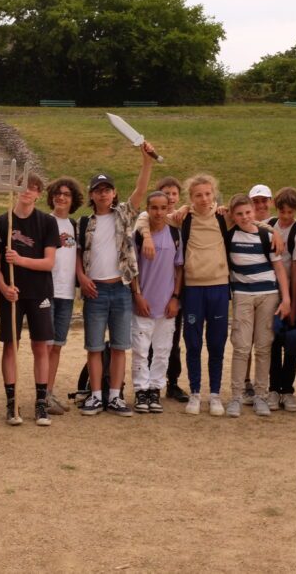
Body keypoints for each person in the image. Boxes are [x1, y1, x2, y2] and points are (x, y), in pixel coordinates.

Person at [77, 142, 155, 416]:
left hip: (121, 289)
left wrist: (146, 162)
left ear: (114, 193)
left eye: (107, 190)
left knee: (121, 346)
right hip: (95, 290)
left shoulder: (123, 215)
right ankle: (96, 395)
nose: (103, 194)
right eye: (98, 190)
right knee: (95, 347)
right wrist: (82, 278)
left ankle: (115, 396)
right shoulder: (84, 223)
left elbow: (141, 191)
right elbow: (77, 254)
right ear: (91, 195)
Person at [0, 173, 59, 426]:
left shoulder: (46, 223)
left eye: (32, 188)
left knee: (40, 346)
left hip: (39, 291)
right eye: (22, 187)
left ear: (39, 194)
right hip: (12, 293)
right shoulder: (1, 222)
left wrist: (20, 260)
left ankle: (41, 402)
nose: (27, 192)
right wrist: (3, 286)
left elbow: (48, 262)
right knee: (11, 345)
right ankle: (12, 402)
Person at [224, 194, 289, 417]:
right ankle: (236, 396)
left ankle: (261, 395)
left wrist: (286, 299)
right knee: (241, 347)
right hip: (242, 295)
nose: (245, 217)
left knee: (263, 346)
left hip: (268, 295)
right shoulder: (229, 235)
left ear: (254, 211)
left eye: (248, 212)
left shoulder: (265, 235)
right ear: (233, 216)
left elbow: (279, 269)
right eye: (239, 214)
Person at [170, 173, 229, 416]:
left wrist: (274, 232)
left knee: (217, 343)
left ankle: (214, 394)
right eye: (198, 195)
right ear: (190, 198)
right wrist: (180, 209)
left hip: (219, 286)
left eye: (207, 194)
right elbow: (147, 219)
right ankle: (195, 392)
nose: (204, 199)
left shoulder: (224, 217)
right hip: (193, 288)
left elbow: (253, 222)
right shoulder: (183, 219)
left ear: (213, 194)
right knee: (192, 342)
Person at [130, 191, 183, 414]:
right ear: (147, 209)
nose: (159, 212)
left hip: (166, 304)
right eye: (154, 208)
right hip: (144, 302)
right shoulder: (139, 235)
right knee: (141, 350)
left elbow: (179, 268)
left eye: (163, 208)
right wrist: (137, 295)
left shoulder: (175, 234)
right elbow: (132, 268)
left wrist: (175, 297)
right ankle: (140, 389)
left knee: (163, 349)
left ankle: (155, 389)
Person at [44, 177, 83, 415]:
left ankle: (48, 392)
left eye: (67, 194)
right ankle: (41, 394)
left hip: (66, 293)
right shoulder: (44, 222)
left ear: (73, 199)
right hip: (47, 290)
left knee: (57, 345)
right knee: (45, 346)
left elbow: (76, 258)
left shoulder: (74, 226)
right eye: (58, 193)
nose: (61, 197)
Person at [152, 176, 189, 403]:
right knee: (149, 339)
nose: (171, 197)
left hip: (179, 286)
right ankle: (148, 382)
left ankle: (172, 382)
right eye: (167, 193)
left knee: (173, 338)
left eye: (175, 193)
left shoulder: (183, 219)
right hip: (154, 286)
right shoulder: (150, 220)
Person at [266, 187, 296, 412]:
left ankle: (287, 390)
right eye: (282, 212)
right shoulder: (270, 225)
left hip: (293, 291)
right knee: (273, 343)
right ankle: (273, 388)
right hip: (272, 291)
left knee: (292, 343)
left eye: (290, 212)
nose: (286, 216)